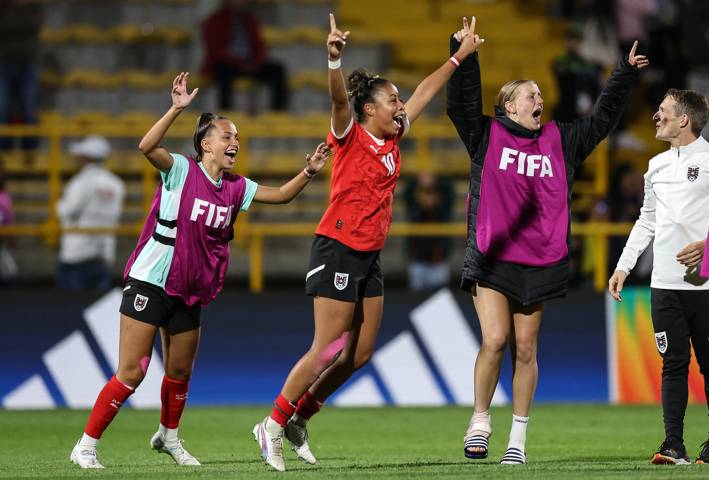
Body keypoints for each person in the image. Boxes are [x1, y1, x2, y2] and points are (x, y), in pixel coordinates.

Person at [252, 14, 481, 472]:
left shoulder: (394, 137)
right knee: (326, 347)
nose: (400, 105)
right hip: (336, 246)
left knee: (358, 354)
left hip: (368, 255)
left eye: (398, 99)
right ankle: (272, 425)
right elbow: (338, 99)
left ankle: (302, 417)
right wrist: (333, 59)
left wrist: (458, 56)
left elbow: (425, 94)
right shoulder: (350, 134)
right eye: (391, 99)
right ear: (370, 109)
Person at [69, 72, 330, 469]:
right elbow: (146, 145)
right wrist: (175, 109)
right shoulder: (178, 169)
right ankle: (86, 445)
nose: (235, 143)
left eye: (237, 137)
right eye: (227, 137)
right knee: (133, 370)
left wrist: (309, 171)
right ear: (206, 144)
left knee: (179, 371)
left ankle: (169, 437)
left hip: (190, 287)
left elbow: (280, 195)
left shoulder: (234, 187)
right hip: (152, 279)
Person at [447, 18, 648, 464]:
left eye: (540, 93)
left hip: (539, 260)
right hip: (492, 256)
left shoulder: (562, 140)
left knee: (527, 348)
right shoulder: (487, 135)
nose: (539, 98)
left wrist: (624, 74)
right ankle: (480, 421)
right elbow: (459, 104)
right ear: (509, 107)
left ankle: (517, 441)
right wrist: (465, 54)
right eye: (529, 95)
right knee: (495, 339)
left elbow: (600, 121)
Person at [609, 89, 709, 465]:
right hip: (665, 285)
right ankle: (674, 444)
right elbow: (648, 220)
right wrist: (624, 265)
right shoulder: (655, 166)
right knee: (673, 363)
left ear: (683, 119)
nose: (656, 116)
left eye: (663, 111)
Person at [56, 135, 125, 291]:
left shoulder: (80, 182)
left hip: (76, 254)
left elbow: (67, 212)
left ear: (86, 157)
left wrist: (58, 205)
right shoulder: (117, 183)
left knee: (70, 309)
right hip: (104, 254)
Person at [201, 0, 289, 112]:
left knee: (277, 70)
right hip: (228, 64)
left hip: (250, 63)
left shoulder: (250, 20)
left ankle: (279, 111)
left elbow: (259, 46)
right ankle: (226, 110)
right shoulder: (214, 20)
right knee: (223, 70)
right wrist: (238, 62)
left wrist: (255, 62)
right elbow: (216, 51)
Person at [0, 0, 42, 158]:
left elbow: (33, 26)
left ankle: (29, 154)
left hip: (27, 65)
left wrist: (11, 26)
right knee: (2, 111)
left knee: (29, 111)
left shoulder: (34, 6)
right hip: (3, 65)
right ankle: (4, 153)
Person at [403, 171, 455, 291]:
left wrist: (434, 181)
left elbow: (449, 190)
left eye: (431, 194)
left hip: (439, 262)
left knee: (442, 300)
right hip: (418, 262)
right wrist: (418, 181)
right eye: (425, 195)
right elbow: (407, 192)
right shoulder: (415, 207)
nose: (428, 199)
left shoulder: (443, 209)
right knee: (416, 301)